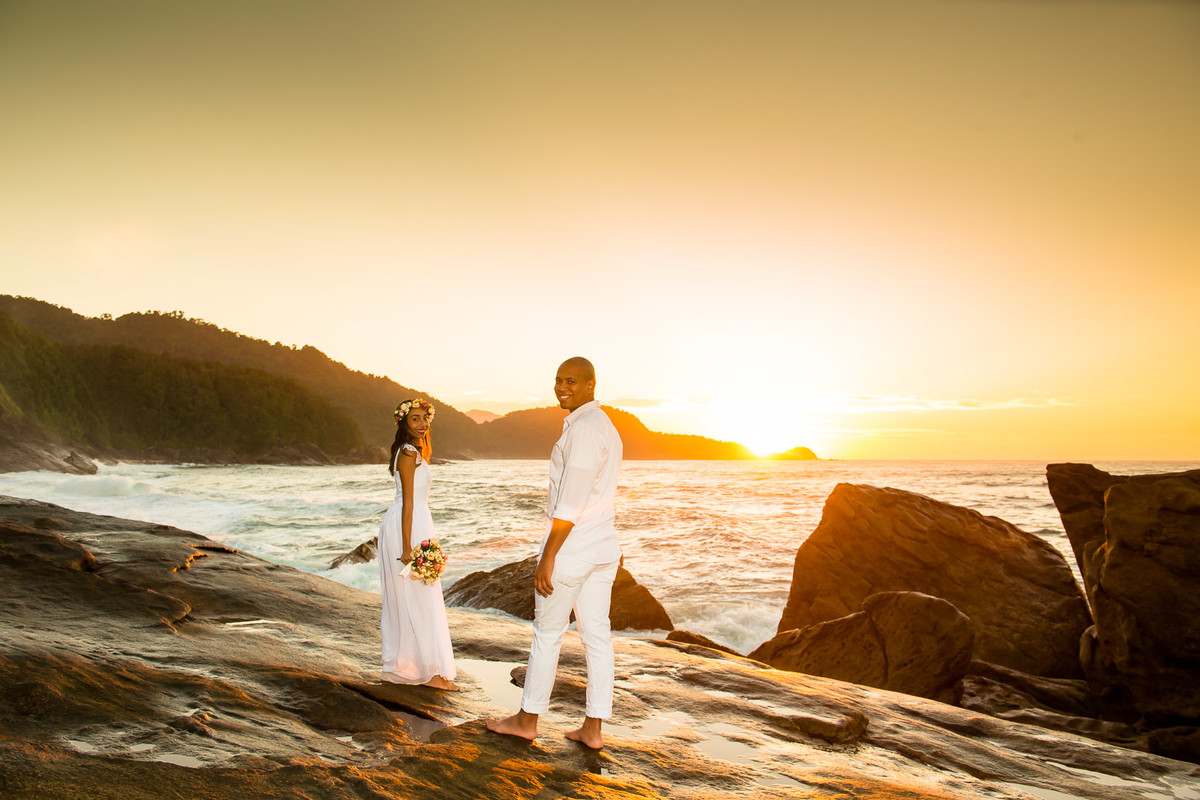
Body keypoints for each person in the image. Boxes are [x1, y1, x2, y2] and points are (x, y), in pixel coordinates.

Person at [488, 356, 623, 749]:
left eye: (571, 381)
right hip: (602, 547)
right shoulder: (605, 426)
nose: (562, 387)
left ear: (590, 385)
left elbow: (571, 502)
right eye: (558, 380)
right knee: (597, 636)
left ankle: (527, 719)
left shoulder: (584, 430)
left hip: (574, 548)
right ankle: (593, 728)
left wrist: (548, 555)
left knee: (547, 633)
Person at [378, 398, 458, 690]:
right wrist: (406, 548)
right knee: (418, 597)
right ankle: (429, 673)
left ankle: (415, 668)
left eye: (425, 418)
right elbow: (408, 502)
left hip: (416, 523)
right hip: (407, 527)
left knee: (417, 595)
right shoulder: (409, 452)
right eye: (415, 419)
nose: (422, 423)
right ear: (403, 422)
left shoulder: (414, 451)